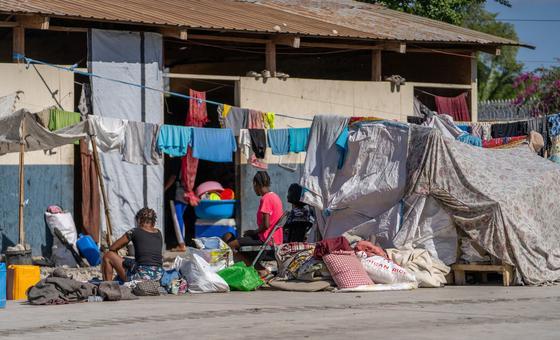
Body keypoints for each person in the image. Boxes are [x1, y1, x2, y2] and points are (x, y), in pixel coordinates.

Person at [224, 171, 283, 250]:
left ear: (256, 184)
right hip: (274, 238)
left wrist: (254, 232)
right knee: (229, 236)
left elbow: (266, 225)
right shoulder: (275, 196)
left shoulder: (266, 199)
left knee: (231, 244)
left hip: (267, 239)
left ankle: (243, 261)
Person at [102, 208, 164, 282]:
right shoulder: (159, 233)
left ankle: (107, 286)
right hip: (158, 276)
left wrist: (118, 257)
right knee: (130, 261)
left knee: (108, 255)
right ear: (153, 223)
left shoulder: (134, 231)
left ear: (139, 220)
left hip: (142, 275)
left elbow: (113, 248)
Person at [164, 155, 187, 252]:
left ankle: (181, 244)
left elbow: (173, 177)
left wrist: (164, 189)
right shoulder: (186, 161)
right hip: (186, 192)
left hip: (176, 193)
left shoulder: (176, 160)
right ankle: (182, 242)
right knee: (180, 218)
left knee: (177, 219)